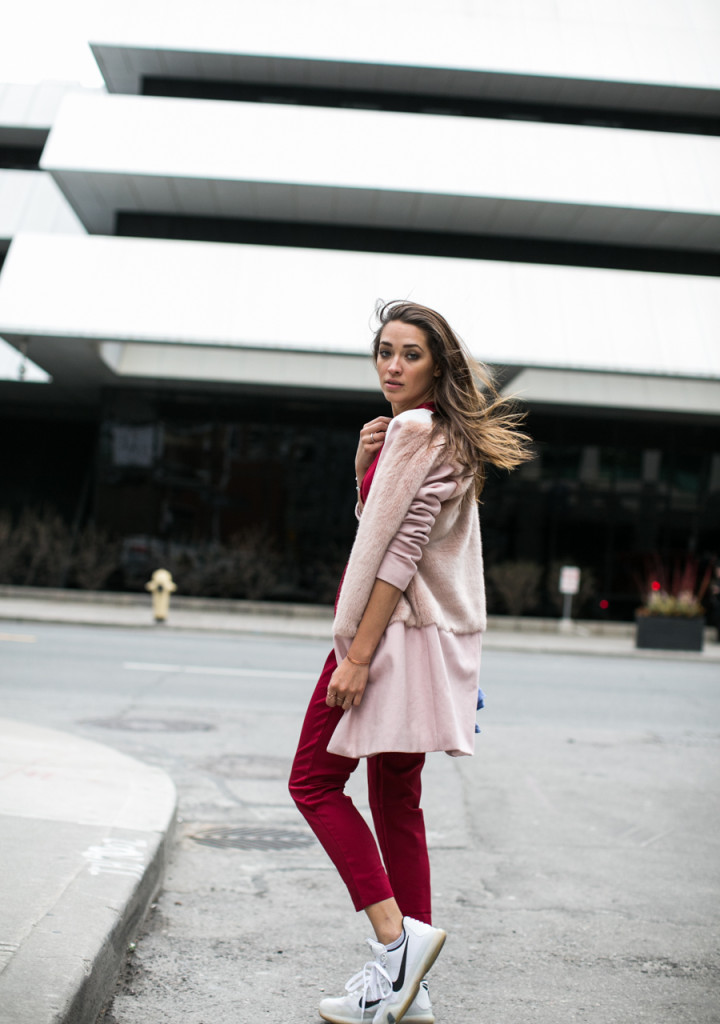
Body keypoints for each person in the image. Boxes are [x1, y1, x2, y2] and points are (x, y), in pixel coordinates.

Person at [289, 300, 532, 1024]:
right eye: (384, 352)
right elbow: (397, 531)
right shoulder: (443, 436)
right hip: (427, 637)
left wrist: (357, 657)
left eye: (410, 354)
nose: (392, 366)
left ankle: (396, 948)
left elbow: (397, 555)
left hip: (387, 638)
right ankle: (411, 991)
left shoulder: (416, 430)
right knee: (398, 801)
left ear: (438, 366)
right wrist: (364, 469)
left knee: (313, 780)